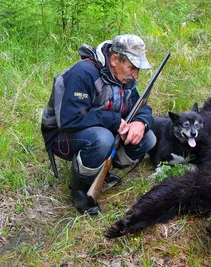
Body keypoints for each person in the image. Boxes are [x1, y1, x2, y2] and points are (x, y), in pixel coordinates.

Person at [41, 34, 156, 215]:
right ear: (114, 59)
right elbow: (70, 119)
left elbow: (141, 106)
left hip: (96, 129)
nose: (135, 75)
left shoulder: (125, 78)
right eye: (132, 67)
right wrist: (113, 120)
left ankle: (103, 171)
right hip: (61, 135)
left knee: (147, 137)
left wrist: (141, 122)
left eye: (138, 69)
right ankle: (79, 189)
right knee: (103, 139)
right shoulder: (82, 73)